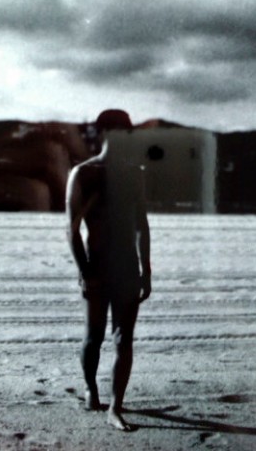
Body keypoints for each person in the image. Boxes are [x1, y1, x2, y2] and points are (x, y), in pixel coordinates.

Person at [66, 109, 151, 431]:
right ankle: (91, 389)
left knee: (123, 339)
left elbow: (141, 225)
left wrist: (146, 269)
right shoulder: (84, 173)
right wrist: (84, 270)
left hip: (127, 266)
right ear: (103, 133)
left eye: (126, 132)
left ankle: (115, 407)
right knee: (93, 337)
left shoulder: (134, 173)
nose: (123, 137)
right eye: (116, 131)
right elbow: (71, 229)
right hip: (97, 265)